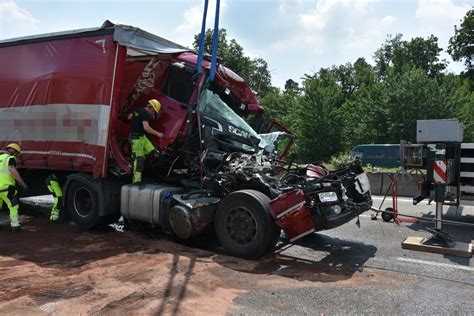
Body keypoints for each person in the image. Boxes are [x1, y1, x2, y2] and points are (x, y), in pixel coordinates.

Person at [128, 99, 163, 183]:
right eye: (153, 111)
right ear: (151, 108)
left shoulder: (138, 110)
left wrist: (135, 121)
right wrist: (158, 134)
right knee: (139, 159)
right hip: (136, 139)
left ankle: (136, 155)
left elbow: (129, 117)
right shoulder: (146, 114)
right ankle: (136, 180)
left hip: (141, 137)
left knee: (153, 151)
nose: (153, 113)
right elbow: (146, 128)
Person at [0, 143, 28, 232]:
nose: (16, 155)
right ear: (13, 151)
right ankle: (15, 226)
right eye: (16, 153)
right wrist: (22, 183)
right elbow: (13, 171)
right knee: (13, 205)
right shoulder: (10, 159)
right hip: (6, 187)